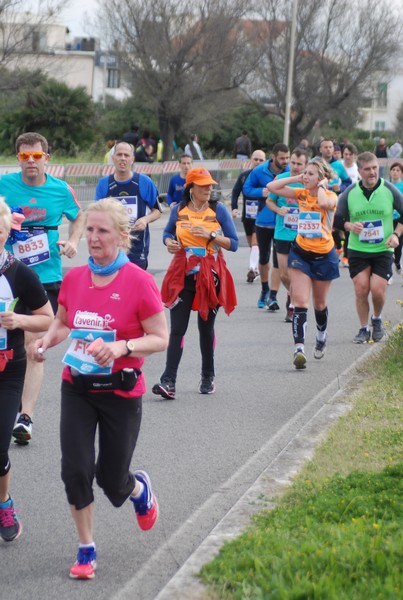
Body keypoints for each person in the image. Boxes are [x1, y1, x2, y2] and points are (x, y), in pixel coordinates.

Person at [32, 198, 168, 579]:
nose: (92, 237)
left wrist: (122, 347)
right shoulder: (74, 278)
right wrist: (45, 342)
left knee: (112, 481)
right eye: (89, 229)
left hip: (120, 392)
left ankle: (137, 488)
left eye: (102, 231)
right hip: (77, 387)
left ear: (122, 237)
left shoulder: (139, 281)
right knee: (75, 470)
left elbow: (160, 337)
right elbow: (62, 322)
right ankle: (86, 548)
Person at [0, 131, 84, 445]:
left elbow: (78, 216)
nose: (31, 162)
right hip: (7, 275)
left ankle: (25, 416)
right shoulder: (5, 186)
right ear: (18, 158)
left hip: (45, 277)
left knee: (34, 345)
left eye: (36, 156)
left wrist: (74, 241)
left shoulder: (60, 190)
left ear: (46, 157)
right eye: (25, 157)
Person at [152, 167, 238, 400]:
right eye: (203, 186)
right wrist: (169, 241)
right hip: (183, 275)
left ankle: (207, 376)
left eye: (210, 185)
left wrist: (211, 236)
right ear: (191, 188)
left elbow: (234, 243)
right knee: (177, 329)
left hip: (210, 277)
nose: (209, 189)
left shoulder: (217, 210)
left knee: (205, 328)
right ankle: (168, 381)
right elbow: (167, 234)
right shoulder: (179, 210)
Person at [0, 200, 53, 542]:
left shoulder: (19, 273)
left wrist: (19, 320)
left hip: (7, 371)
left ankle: (4, 502)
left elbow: (48, 317)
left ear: (7, 230)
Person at [266, 158, 339, 369]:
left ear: (321, 178)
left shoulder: (331, 196)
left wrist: (323, 186)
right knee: (300, 302)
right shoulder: (301, 193)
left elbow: (324, 203)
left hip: (324, 256)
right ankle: (299, 349)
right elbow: (272, 187)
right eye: (304, 173)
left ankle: (321, 336)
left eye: (310, 174)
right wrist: (298, 177)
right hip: (300, 253)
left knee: (320, 304)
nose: (306, 177)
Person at [334, 152, 403, 343]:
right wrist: (349, 226)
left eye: (374, 168)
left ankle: (377, 319)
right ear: (360, 170)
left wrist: (396, 234)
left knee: (378, 290)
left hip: (383, 249)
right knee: (361, 289)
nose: (372, 172)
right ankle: (364, 328)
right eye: (367, 169)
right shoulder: (349, 193)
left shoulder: (389, 189)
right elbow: (338, 220)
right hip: (358, 249)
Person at [95, 140, 161, 270]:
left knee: (135, 287)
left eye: (126, 155)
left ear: (132, 159)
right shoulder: (104, 184)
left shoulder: (144, 182)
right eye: (119, 155)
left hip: (137, 248)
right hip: (112, 247)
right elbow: (97, 216)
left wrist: (145, 219)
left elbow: (157, 211)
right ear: (113, 158)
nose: (123, 159)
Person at [243, 143, 290, 309]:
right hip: (262, 221)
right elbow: (246, 188)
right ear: (274, 156)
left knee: (278, 261)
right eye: (282, 158)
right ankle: (264, 289)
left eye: (287, 158)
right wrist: (262, 192)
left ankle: (273, 296)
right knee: (263, 258)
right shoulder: (259, 171)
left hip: (282, 223)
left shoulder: (290, 173)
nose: (285, 161)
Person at [266, 148, 309, 322]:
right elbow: (269, 201)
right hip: (283, 232)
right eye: (293, 162)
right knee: (284, 274)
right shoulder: (281, 180)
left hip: (303, 235)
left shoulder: (309, 182)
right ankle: (292, 295)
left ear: (306, 164)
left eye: (300, 163)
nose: (296, 167)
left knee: (298, 272)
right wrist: (278, 209)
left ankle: (294, 304)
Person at [231, 149, 266, 283]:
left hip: (262, 215)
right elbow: (235, 193)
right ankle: (256, 267)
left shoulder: (267, 177)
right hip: (248, 215)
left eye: (261, 160)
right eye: (255, 159)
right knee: (253, 244)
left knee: (255, 242)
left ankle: (252, 269)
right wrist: (234, 208)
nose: (257, 162)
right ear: (251, 160)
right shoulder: (244, 176)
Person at [389, 162, 403, 275]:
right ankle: (388, 274)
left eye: (398, 170)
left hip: (400, 221)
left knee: (398, 246)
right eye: (393, 169)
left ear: (401, 173)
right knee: (388, 245)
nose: (395, 172)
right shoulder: (386, 185)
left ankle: (397, 263)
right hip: (388, 220)